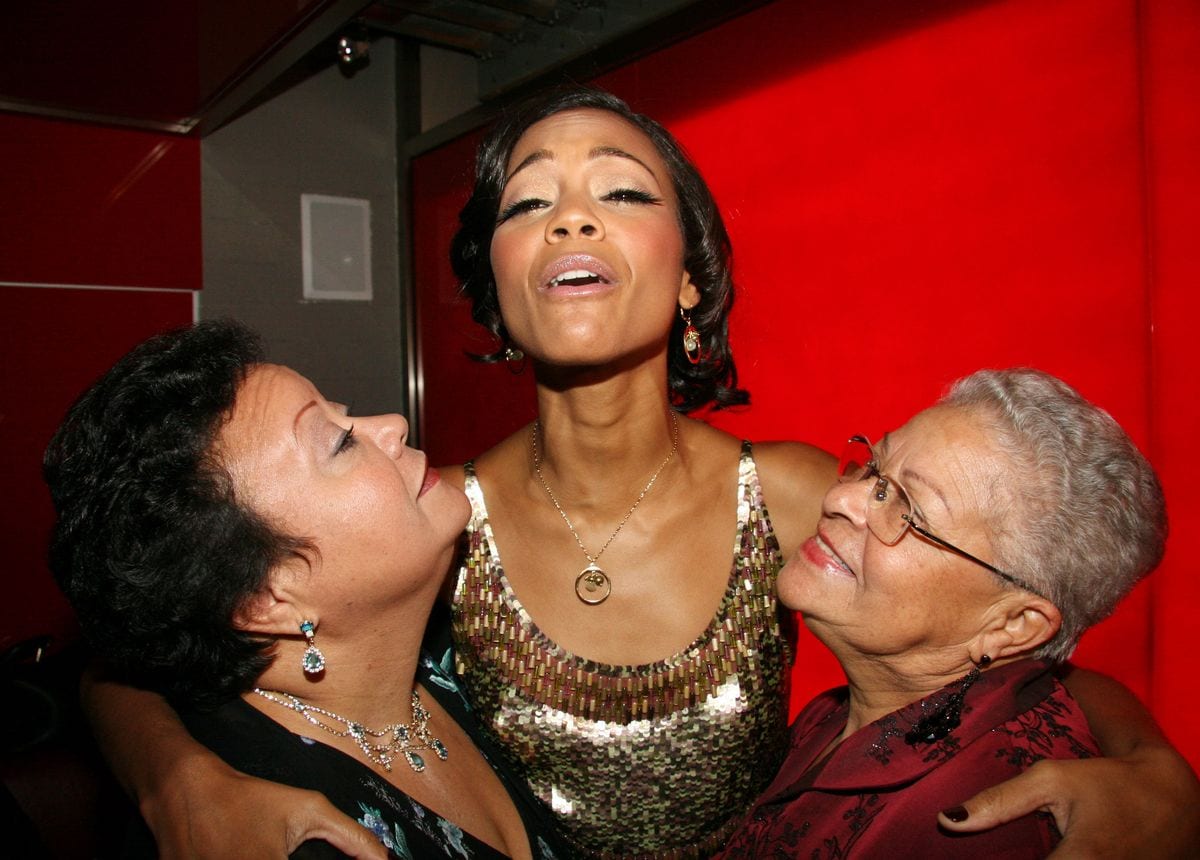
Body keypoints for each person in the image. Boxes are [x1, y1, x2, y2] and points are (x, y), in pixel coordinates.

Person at [82, 88, 1199, 858]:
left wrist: (1158, 770)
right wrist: (175, 774)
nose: (570, 210)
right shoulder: (422, 523)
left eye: (621, 190)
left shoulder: (809, 498)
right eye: (528, 200)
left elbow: (1007, 651)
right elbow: (150, 627)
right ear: (502, 291)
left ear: (688, 283)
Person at [45, 320, 568, 859]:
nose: (393, 422)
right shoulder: (281, 834)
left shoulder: (444, 654)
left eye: (343, 413)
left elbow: (106, 676)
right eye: (340, 443)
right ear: (266, 600)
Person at [718, 368, 1176, 857]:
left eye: (908, 511)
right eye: (874, 468)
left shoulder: (972, 823)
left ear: (1011, 625)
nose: (839, 498)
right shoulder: (849, 712)